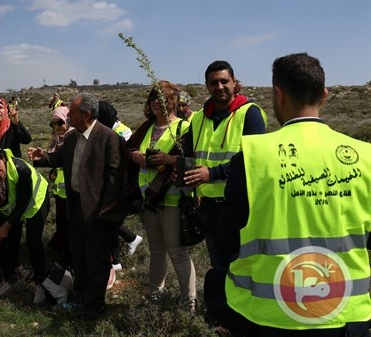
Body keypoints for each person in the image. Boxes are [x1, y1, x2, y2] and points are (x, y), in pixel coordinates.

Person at [205, 53, 371, 336]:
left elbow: (226, 239)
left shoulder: (253, 157)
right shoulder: (365, 156)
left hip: (267, 315)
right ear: (324, 95)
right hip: (348, 315)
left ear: (278, 94)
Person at [28, 92, 124, 321]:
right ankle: (82, 297)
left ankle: (94, 306)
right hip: (75, 207)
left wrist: (106, 212)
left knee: (97, 260)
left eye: (72, 112)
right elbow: (57, 159)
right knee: (79, 255)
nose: (68, 115)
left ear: (87, 115)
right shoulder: (71, 138)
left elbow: (115, 178)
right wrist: (41, 157)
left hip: (98, 212)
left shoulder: (108, 138)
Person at [182, 60, 267, 267]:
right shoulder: (198, 118)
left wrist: (212, 174)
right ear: (207, 86)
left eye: (224, 81)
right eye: (213, 83)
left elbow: (253, 161)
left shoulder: (250, 113)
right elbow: (190, 154)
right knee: (218, 266)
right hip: (208, 207)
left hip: (239, 206)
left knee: (241, 266)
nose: (219, 86)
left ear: (234, 82)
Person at [125, 82, 197, 311]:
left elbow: (193, 160)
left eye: (162, 98)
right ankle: (155, 297)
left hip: (173, 199)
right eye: (153, 98)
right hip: (151, 198)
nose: (156, 102)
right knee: (157, 251)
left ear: (172, 101)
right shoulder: (147, 127)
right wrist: (135, 155)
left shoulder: (184, 128)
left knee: (177, 252)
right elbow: (128, 148)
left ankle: (189, 304)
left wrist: (169, 160)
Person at [0, 145, 50, 302]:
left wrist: (7, 226)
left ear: (3, 159)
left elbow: (23, 202)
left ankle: (40, 283)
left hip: (35, 201)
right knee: (8, 242)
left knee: (33, 241)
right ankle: (10, 280)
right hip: (12, 207)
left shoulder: (21, 170)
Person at [97, 100, 143, 273]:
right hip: (112, 182)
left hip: (120, 184)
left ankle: (116, 259)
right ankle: (128, 242)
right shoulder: (113, 128)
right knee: (108, 219)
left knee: (109, 219)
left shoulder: (122, 131)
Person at [45, 106, 76, 269]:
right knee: (62, 225)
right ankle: (64, 256)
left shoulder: (73, 138)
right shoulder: (55, 139)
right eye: (53, 124)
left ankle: (69, 260)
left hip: (72, 192)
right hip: (60, 192)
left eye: (59, 123)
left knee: (70, 226)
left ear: (68, 120)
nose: (56, 127)